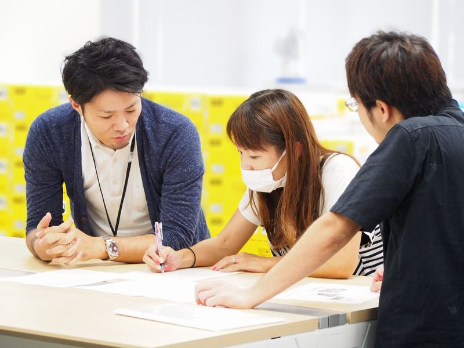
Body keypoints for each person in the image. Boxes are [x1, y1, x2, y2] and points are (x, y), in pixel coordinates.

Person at [194, 31, 464, 347]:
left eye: (357, 106)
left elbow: (335, 230)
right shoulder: (455, 131)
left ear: (381, 108)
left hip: (424, 332)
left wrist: (251, 294)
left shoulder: (409, 138)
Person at [144, 89, 383, 278]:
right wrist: (180, 258)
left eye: (255, 156)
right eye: (241, 153)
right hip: (305, 293)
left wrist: (265, 264)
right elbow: (225, 243)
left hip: (361, 301)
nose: (246, 165)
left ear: (295, 150)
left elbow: (341, 265)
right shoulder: (268, 183)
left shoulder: (338, 170)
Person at [24, 37, 209, 265]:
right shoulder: (49, 132)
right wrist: (43, 245)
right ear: (76, 106)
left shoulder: (175, 133)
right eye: (106, 116)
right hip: (97, 269)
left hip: (173, 271)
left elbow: (176, 238)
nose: (122, 125)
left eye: (131, 108)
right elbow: (38, 226)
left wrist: (101, 247)